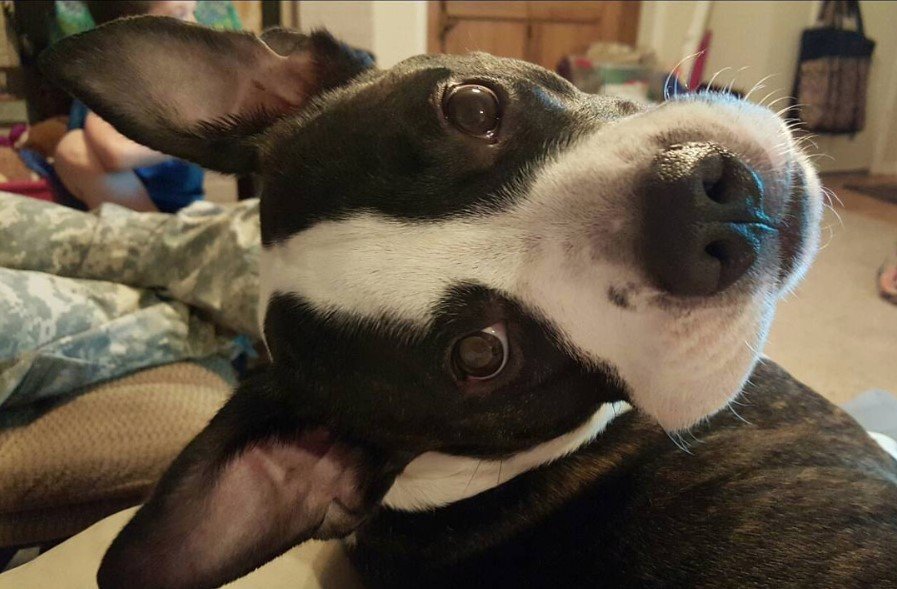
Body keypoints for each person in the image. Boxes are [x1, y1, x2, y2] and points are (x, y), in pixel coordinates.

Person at [53, 1, 204, 212]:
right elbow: (116, 153)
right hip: (120, 216)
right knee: (73, 147)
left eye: (193, 13)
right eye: (179, 15)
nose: (195, 25)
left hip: (182, 210)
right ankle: (154, 240)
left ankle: (163, 236)